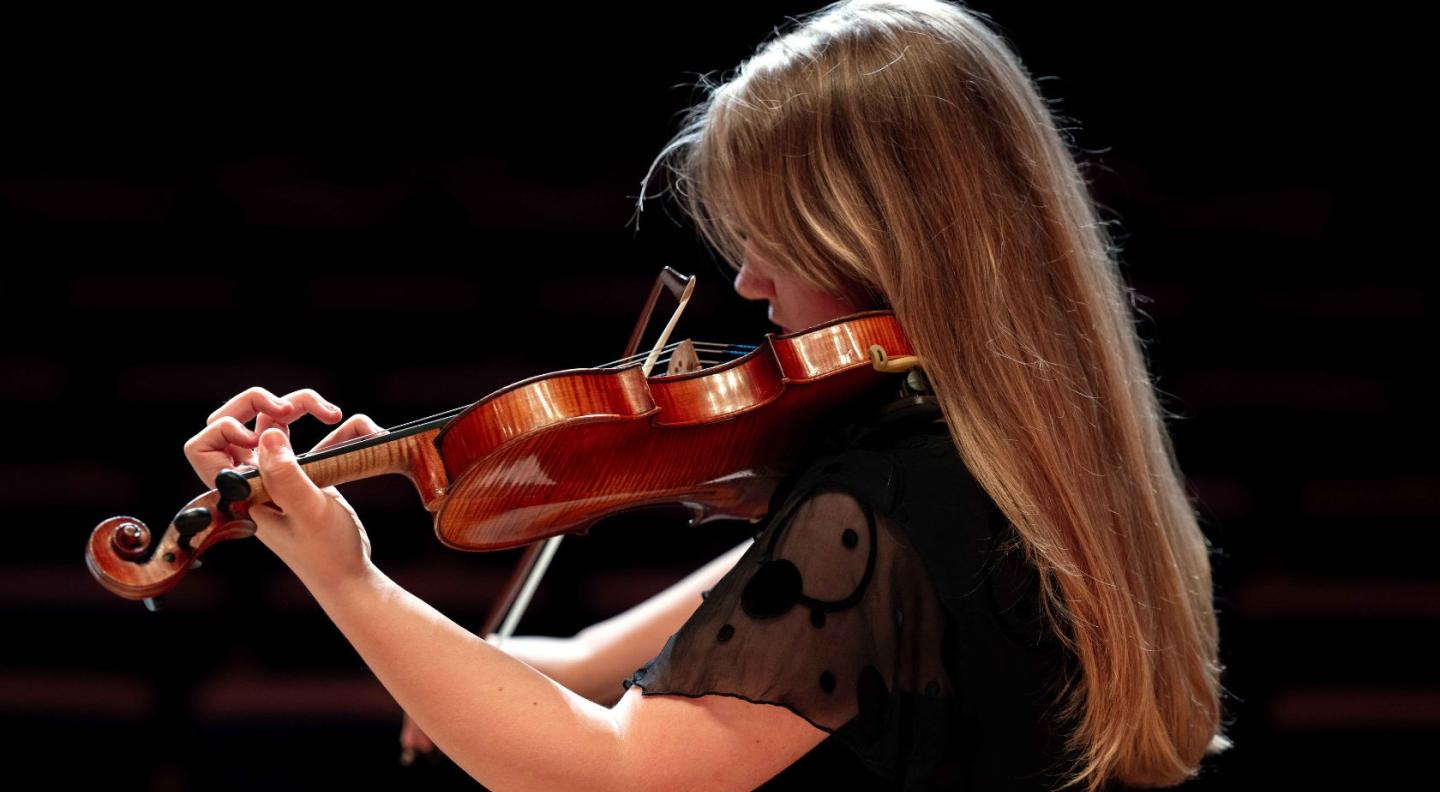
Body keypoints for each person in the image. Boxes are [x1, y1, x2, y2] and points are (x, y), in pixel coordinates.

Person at [182, 1, 1231, 788]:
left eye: (775, 237)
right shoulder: (1009, 460)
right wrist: (349, 541)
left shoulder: (883, 506)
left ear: (877, 238)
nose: (750, 282)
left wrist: (350, 580)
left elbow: (617, 774)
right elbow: (582, 667)